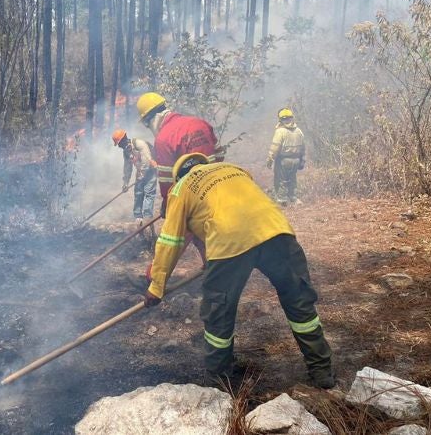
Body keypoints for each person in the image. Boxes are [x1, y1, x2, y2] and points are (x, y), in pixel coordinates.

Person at [142, 153, 334, 389]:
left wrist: (156, 286)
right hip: (277, 232)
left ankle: (219, 378)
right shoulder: (234, 169)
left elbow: (171, 240)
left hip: (230, 241)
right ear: (203, 164)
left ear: (178, 175)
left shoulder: (182, 187)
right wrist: (208, 259)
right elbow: (219, 213)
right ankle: (322, 370)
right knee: (298, 299)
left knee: (219, 311)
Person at [136, 91, 223, 268]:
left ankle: (153, 280)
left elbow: (168, 183)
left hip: (192, 199)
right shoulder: (200, 123)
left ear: (149, 120)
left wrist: (168, 207)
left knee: (173, 239)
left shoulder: (164, 138)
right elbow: (219, 155)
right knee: (204, 235)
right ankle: (212, 267)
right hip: (218, 189)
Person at [112, 129, 157, 225]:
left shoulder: (139, 143)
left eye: (119, 144)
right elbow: (127, 168)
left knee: (149, 194)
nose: (120, 147)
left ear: (124, 139)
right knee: (138, 194)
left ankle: (148, 218)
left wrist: (143, 174)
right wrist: (125, 183)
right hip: (141, 172)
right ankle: (138, 218)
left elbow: (147, 158)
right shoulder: (126, 152)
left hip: (151, 171)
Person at [267, 108, 306, 205]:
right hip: (296, 160)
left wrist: (270, 159)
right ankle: (294, 198)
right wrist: (302, 160)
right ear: (291, 118)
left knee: (281, 180)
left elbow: (275, 147)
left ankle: (282, 200)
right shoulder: (299, 131)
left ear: (280, 119)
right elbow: (303, 147)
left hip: (283, 161)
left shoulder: (280, 131)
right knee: (292, 179)